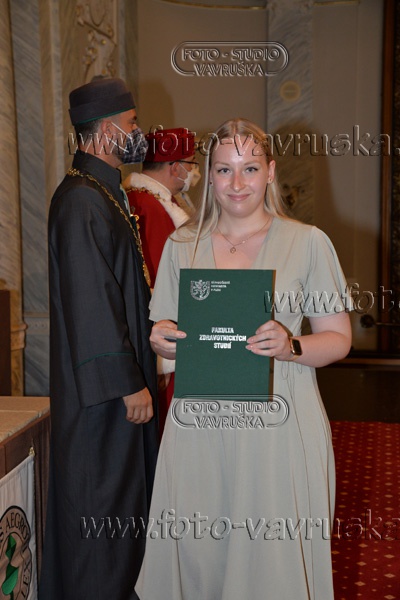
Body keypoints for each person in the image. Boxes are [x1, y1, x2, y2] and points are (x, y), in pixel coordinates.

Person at [135, 118, 352, 600]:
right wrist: (162, 340)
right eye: (224, 169)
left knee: (273, 564)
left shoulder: (308, 242)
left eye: (250, 168)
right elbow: (164, 330)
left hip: (280, 426)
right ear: (207, 175)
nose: (237, 183)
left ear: (270, 172)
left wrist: (292, 346)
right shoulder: (182, 244)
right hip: (199, 426)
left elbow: (338, 339)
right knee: (199, 555)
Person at [39, 78, 159, 600]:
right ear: (108, 131)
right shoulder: (82, 201)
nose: (139, 132)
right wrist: (126, 383)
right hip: (103, 402)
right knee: (100, 519)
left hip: (114, 396)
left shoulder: (102, 192)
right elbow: (92, 301)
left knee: (120, 517)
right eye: (132, 124)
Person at [123, 128, 197, 433]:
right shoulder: (150, 207)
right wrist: (162, 360)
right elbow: (156, 285)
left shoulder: (149, 200)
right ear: (175, 167)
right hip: (165, 340)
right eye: (191, 164)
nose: (194, 172)